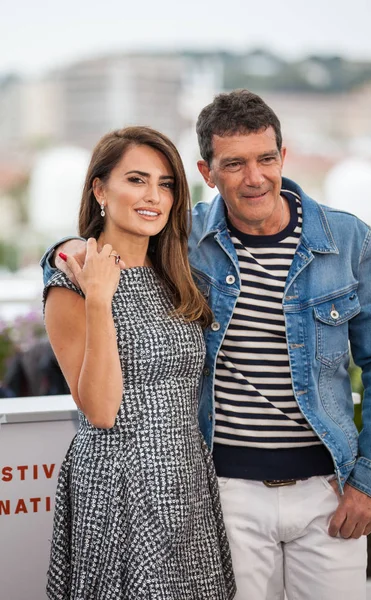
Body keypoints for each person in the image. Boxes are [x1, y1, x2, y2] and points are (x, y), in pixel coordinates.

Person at [42, 91, 371, 600]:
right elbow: (117, 237)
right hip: (223, 491)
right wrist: (67, 248)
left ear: (284, 156)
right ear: (208, 173)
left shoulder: (347, 241)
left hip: (330, 489)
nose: (254, 177)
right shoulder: (188, 243)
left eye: (266, 159)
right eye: (234, 164)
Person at [42, 126, 235, 600]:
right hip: (119, 484)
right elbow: (101, 409)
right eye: (136, 179)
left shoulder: (177, 274)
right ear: (100, 188)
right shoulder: (71, 274)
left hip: (187, 481)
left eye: (166, 184)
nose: (154, 196)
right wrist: (99, 299)